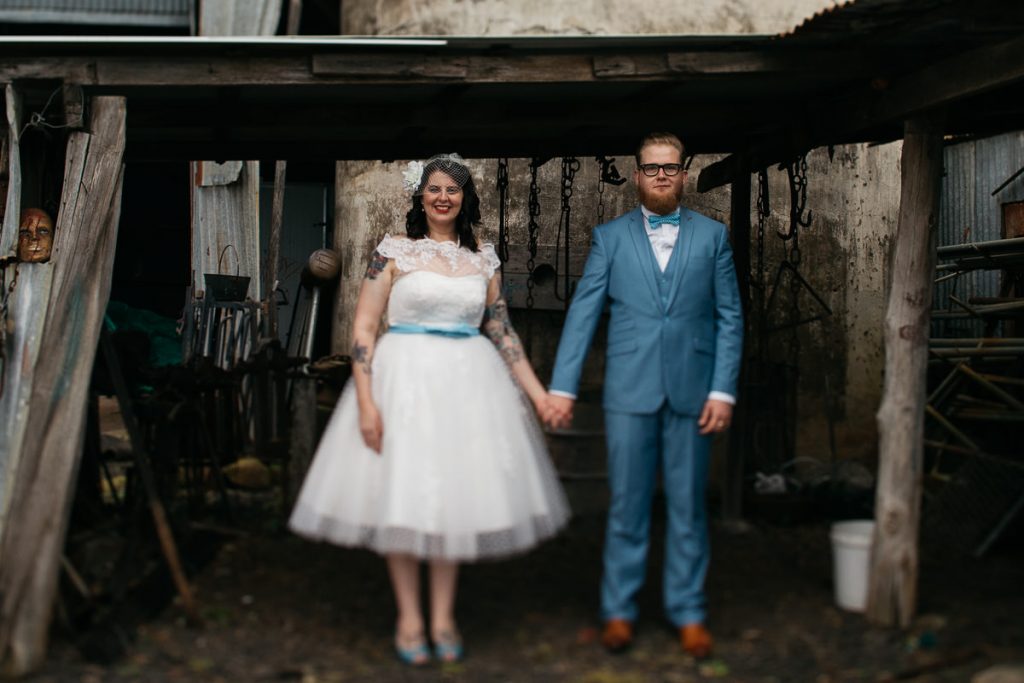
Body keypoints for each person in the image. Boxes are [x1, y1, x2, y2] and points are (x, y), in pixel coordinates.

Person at [289, 153, 570, 666]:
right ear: (421, 195)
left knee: (453, 500)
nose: (444, 197)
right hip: (404, 384)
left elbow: (502, 331)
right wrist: (367, 403)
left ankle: (442, 616)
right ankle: (409, 618)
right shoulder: (392, 252)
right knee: (402, 495)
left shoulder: (483, 259)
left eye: (454, 190)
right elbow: (363, 330)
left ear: (465, 199)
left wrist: (538, 394)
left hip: (468, 388)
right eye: (435, 188)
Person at [545, 132, 743, 658]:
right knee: (628, 506)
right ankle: (619, 611)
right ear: (637, 175)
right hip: (629, 392)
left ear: (683, 175)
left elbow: (730, 318)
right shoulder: (609, 238)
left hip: (694, 392)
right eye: (651, 168)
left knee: (688, 507)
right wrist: (563, 386)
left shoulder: (714, 237)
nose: (661, 176)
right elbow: (584, 312)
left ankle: (690, 612)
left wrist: (723, 390)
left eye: (670, 168)